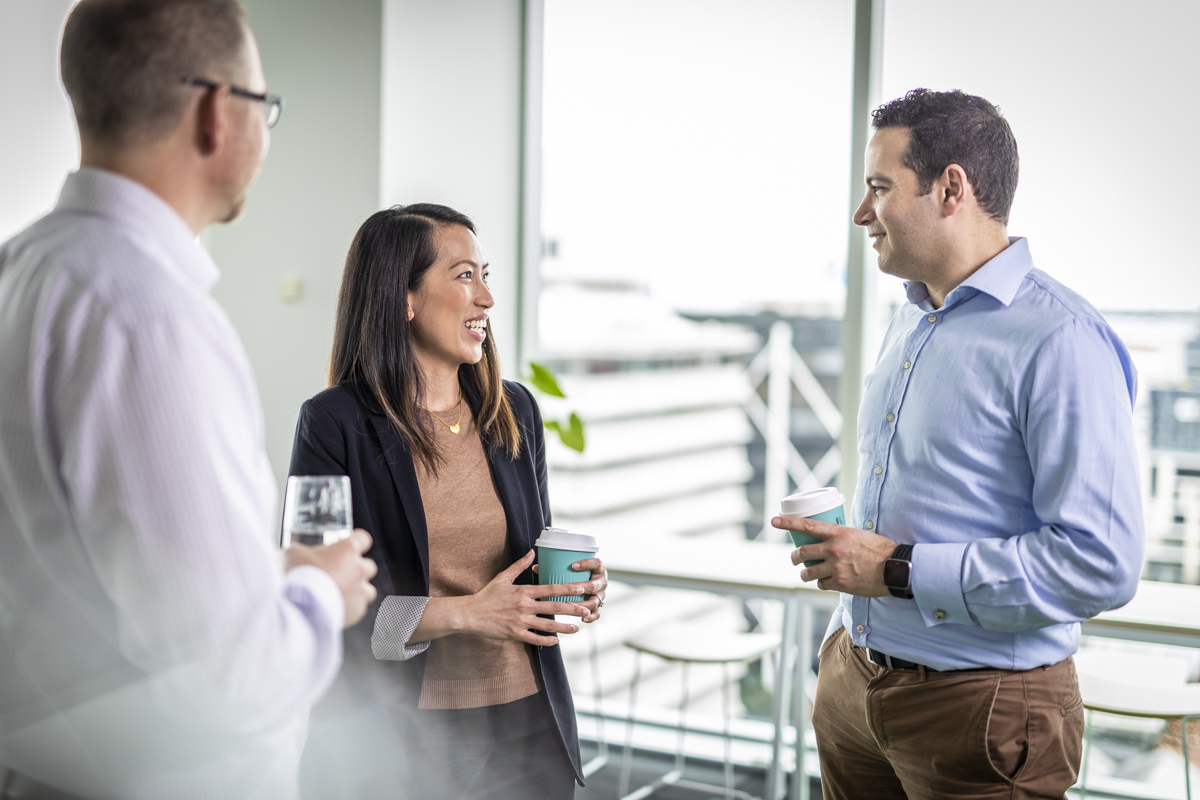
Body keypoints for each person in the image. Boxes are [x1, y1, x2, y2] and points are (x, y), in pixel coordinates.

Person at [0, 2, 378, 798]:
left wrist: (255, 575)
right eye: (264, 107)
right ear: (217, 112)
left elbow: (70, 560)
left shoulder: (18, 273)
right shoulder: (152, 319)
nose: (265, 137)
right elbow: (232, 676)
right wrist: (319, 592)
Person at [773, 88, 1144, 799]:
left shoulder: (1061, 341)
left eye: (879, 188)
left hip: (982, 707)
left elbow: (1100, 563)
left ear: (951, 188)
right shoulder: (910, 322)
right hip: (856, 677)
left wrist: (900, 569)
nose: (861, 214)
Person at [287, 203, 607, 799]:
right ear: (403, 298)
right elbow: (327, 611)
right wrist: (467, 612)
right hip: (404, 739)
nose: (486, 298)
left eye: (485, 275)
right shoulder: (335, 424)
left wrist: (574, 581)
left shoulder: (515, 412)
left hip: (530, 724)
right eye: (464, 276)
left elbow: (529, 563)